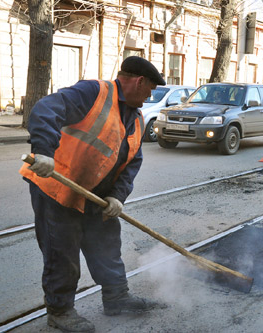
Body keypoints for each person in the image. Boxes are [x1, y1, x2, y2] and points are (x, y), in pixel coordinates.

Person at [19, 56, 166, 332]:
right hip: (57, 187)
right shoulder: (93, 93)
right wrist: (43, 151)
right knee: (62, 250)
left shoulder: (136, 119)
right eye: (150, 90)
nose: (149, 97)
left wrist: (117, 197)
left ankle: (117, 299)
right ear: (139, 81)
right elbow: (45, 109)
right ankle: (60, 311)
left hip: (96, 196)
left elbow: (132, 162)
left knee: (107, 245)